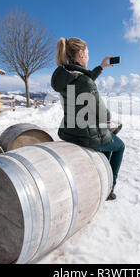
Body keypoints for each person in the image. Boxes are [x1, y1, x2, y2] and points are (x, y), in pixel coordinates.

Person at [51, 37, 125, 201]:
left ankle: (103, 175)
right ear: (80, 53)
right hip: (85, 134)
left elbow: (85, 79)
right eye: (88, 53)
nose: (89, 56)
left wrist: (101, 67)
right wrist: (108, 119)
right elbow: (104, 115)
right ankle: (109, 186)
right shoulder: (84, 82)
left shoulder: (66, 75)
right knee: (119, 145)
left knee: (107, 138)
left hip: (70, 130)